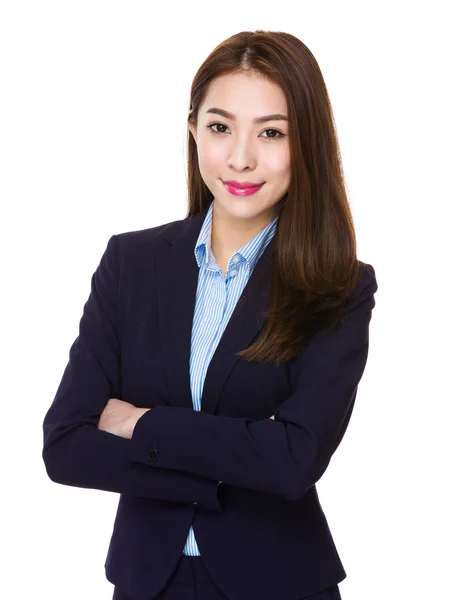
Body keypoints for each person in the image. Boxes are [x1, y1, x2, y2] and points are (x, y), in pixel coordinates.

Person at [42, 29, 378, 600]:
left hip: (279, 583)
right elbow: (66, 445)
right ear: (193, 127)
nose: (241, 158)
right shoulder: (131, 263)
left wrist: (139, 424)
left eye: (271, 133)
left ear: (307, 144)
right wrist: (240, 454)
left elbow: (294, 461)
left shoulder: (337, 286)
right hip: (148, 582)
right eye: (221, 127)